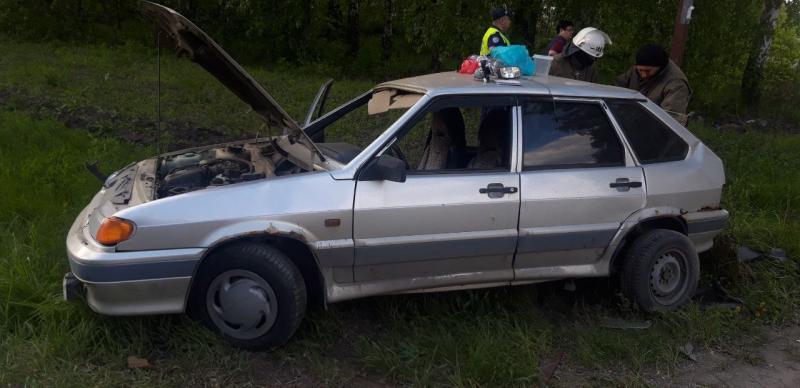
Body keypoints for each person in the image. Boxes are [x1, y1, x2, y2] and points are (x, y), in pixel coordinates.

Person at [616, 44, 692, 125]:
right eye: (640, 70)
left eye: (648, 71)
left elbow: (671, 120)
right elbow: (617, 88)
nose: (643, 75)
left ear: (660, 67)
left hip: (655, 129)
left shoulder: (677, 83)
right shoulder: (635, 70)